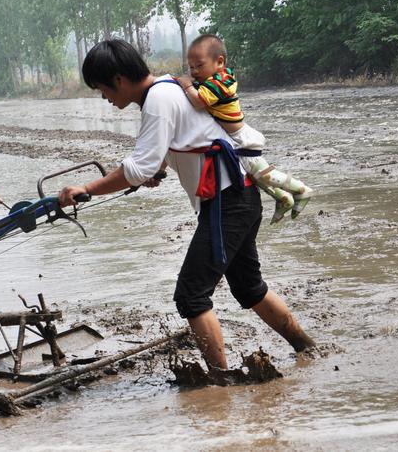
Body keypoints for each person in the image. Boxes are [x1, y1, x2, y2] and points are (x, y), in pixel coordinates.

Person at [58, 39, 315, 371]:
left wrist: (87, 188)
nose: (104, 98)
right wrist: (160, 168)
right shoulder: (166, 89)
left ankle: (221, 380)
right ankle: (308, 349)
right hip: (239, 198)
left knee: (191, 296)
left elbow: (138, 168)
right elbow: (186, 140)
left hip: (227, 204)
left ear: (118, 79)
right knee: (249, 288)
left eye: (102, 89)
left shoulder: (158, 99)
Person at [176, 34, 313, 223]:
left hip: (241, 139)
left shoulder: (221, 82)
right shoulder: (211, 80)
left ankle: (300, 190)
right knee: (255, 175)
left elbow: (199, 101)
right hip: (235, 137)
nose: (194, 71)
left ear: (219, 62)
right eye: (191, 67)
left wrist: (186, 86)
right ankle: (283, 198)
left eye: (199, 66)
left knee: (262, 174)